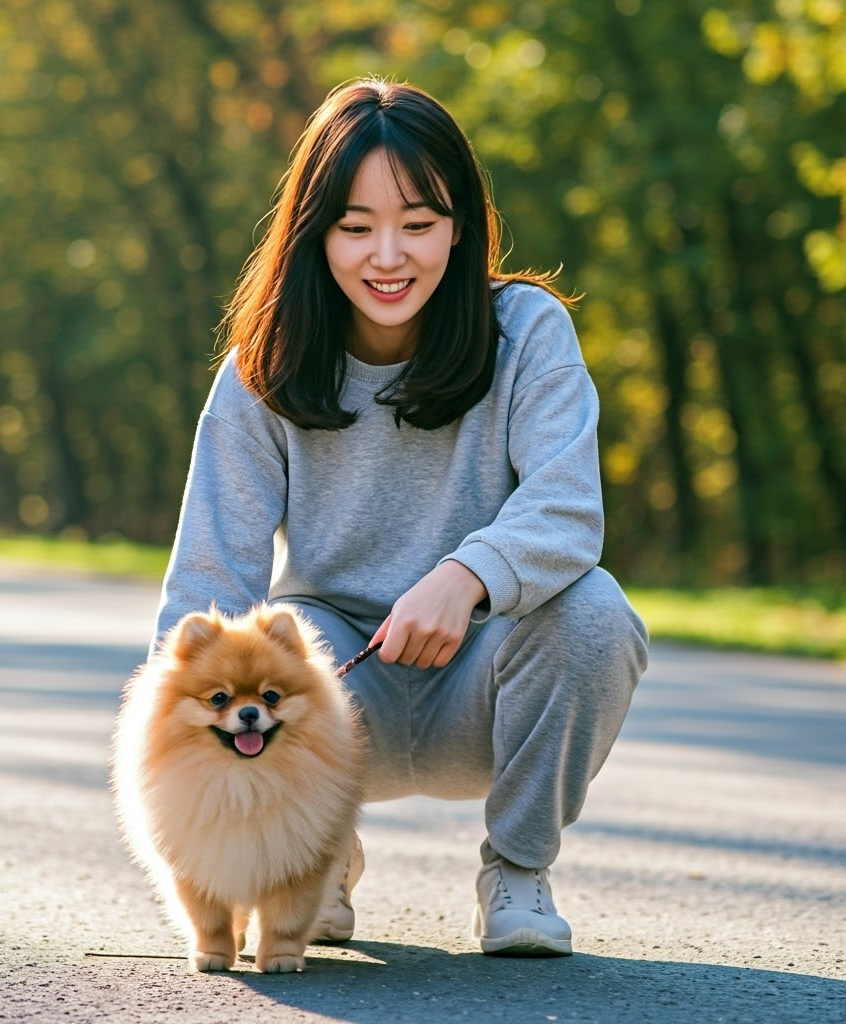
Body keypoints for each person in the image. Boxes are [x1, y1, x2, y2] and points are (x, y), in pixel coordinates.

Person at [150, 77, 649, 958]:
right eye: (356, 227)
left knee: (595, 613)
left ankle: (518, 871)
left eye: (418, 224)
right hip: (335, 701)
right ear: (315, 235)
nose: (389, 256)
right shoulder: (260, 370)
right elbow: (208, 584)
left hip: (483, 686)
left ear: (460, 228)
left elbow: (568, 508)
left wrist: (465, 577)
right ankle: (313, 852)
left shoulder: (527, 331)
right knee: (282, 631)